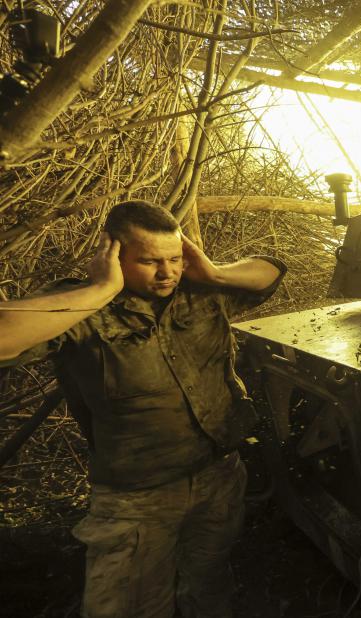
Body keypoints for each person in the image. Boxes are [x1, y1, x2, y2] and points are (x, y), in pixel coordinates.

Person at [0, 200, 286, 617]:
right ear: (113, 254)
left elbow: (271, 271)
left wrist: (214, 272)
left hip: (218, 475)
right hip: (136, 497)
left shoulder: (203, 293)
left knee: (209, 587)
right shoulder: (82, 308)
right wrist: (101, 290)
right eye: (150, 261)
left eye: (174, 259)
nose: (167, 272)